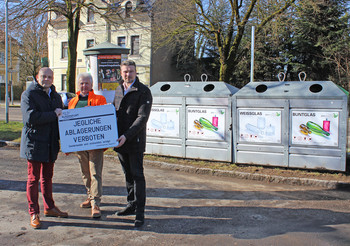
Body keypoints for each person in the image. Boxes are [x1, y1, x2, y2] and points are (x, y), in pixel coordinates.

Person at [20, 67, 68, 229]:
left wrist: (68, 142)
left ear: (53, 79)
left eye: (49, 77)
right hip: (34, 143)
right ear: (37, 77)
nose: (46, 79)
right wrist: (54, 114)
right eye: (43, 76)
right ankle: (34, 213)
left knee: (47, 177)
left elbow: (61, 120)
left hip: (50, 143)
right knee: (33, 179)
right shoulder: (29, 94)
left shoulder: (55, 96)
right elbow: (31, 118)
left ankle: (50, 208)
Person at [113, 60, 152, 227]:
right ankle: (131, 204)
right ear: (121, 73)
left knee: (137, 176)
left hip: (134, 141)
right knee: (127, 174)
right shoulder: (118, 89)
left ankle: (140, 213)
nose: (128, 74)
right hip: (120, 141)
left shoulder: (143, 91)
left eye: (130, 71)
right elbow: (114, 113)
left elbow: (142, 118)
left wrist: (126, 136)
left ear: (136, 72)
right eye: (125, 72)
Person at [68, 73, 107, 218]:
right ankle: (90, 196)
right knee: (85, 173)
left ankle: (96, 203)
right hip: (79, 144)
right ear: (78, 85)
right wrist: (68, 145)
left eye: (86, 83)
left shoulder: (99, 99)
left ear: (91, 85)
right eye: (81, 83)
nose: (84, 86)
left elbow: (104, 121)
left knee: (95, 172)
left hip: (95, 144)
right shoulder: (72, 102)